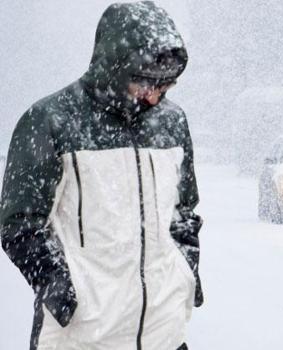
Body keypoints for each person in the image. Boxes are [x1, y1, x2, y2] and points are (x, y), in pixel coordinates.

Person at [0, 2, 203, 349]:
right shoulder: (51, 121)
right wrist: (62, 291)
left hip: (162, 335)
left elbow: (183, 212)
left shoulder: (172, 123)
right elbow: (19, 223)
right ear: (115, 66)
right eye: (144, 83)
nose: (154, 97)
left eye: (165, 86)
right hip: (81, 338)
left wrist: (186, 274)